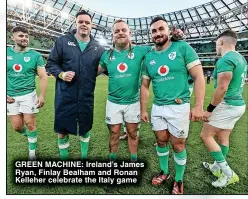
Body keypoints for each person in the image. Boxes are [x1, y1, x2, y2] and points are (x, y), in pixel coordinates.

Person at [98, 19, 184, 162]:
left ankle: (133, 160)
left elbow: (161, 46)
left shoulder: (141, 50)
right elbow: (93, 72)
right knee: (113, 134)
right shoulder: (107, 55)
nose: (120, 33)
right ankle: (112, 161)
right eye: (117, 31)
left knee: (133, 134)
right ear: (112, 34)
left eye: (123, 30)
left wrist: (173, 37)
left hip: (133, 102)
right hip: (113, 102)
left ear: (129, 33)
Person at [140, 16, 205, 194]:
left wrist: (198, 106)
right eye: (154, 31)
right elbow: (145, 85)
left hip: (179, 107)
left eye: (161, 29)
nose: (158, 33)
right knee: (161, 141)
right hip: (158, 108)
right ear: (150, 34)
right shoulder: (149, 57)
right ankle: (164, 172)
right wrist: (143, 109)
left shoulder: (183, 47)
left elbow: (199, 76)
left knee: (178, 145)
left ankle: (179, 179)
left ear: (169, 31)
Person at [47, 10, 105, 160]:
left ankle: (83, 158)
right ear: (76, 23)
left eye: (87, 22)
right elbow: (51, 64)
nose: (84, 25)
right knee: (62, 130)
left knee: (85, 129)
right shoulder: (62, 41)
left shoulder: (98, 48)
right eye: (81, 22)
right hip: (65, 96)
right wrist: (62, 74)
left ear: (92, 25)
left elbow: (106, 67)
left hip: (86, 97)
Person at [200, 30, 247, 188]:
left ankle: (228, 174)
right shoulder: (241, 59)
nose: (215, 46)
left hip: (227, 105)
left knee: (206, 136)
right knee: (223, 137)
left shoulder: (225, 59)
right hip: (238, 105)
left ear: (221, 42)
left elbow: (222, 88)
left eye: (215, 43)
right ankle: (216, 167)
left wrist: (209, 109)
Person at [7, 26, 48, 160]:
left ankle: (32, 153)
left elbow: (43, 76)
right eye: (21, 36)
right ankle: (31, 136)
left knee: (30, 124)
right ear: (12, 37)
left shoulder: (35, 55)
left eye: (26, 36)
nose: (24, 38)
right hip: (10, 96)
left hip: (28, 95)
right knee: (17, 127)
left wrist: (42, 95)